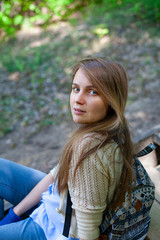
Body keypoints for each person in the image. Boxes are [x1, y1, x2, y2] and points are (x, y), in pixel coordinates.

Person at [0, 57, 135, 240]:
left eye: (93, 92)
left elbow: (87, 233)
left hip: (54, 229)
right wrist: (14, 214)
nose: (78, 99)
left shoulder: (91, 152)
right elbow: (56, 175)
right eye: (76, 89)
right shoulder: (110, 130)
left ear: (111, 101)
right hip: (56, 200)